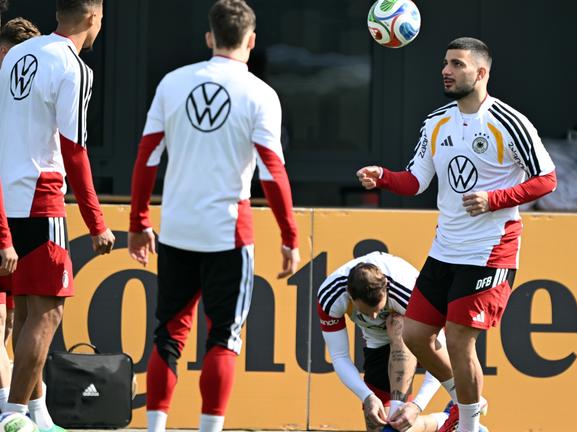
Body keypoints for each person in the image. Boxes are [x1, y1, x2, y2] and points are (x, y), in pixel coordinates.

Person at [357, 37, 557, 432]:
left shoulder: (510, 122)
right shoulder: (436, 123)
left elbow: (546, 180)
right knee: (415, 334)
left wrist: (497, 198)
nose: (446, 71)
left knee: (460, 339)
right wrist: (383, 177)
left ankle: (467, 426)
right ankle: (470, 408)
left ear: (481, 73)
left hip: (490, 251)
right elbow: (415, 181)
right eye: (445, 63)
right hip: (445, 248)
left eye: (457, 64)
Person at [127, 1, 300, 431]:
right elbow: (273, 172)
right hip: (228, 233)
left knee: (167, 335)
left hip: (178, 229)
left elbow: (147, 158)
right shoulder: (260, 93)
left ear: (210, 37)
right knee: (224, 338)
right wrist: (290, 235)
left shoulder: (173, 83)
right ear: (252, 41)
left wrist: (138, 222)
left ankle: (154, 429)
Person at [0, 0, 115, 428]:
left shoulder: (15, 54)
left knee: (26, 313)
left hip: (5, 197)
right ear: (93, 17)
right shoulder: (73, 66)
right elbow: (74, 150)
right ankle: (12, 415)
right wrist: (96, 222)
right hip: (40, 197)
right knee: (46, 314)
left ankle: (36, 413)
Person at [318, 252, 455, 432]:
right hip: (377, 344)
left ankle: (452, 413)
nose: (375, 317)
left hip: (416, 339)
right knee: (385, 428)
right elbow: (339, 356)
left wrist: (417, 405)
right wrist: (367, 397)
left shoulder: (408, 292)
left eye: (379, 309)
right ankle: (445, 420)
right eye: (367, 312)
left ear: (386, 290)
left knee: (397, 323)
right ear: (350, 297)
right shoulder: (331, 296)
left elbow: (439, 356)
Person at [0, 13, 40, 413]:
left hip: (17, 217)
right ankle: (9, 413)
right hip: (8, 225)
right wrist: (5, 238)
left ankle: (28, 413)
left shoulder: (18, 102)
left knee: (16, 323)